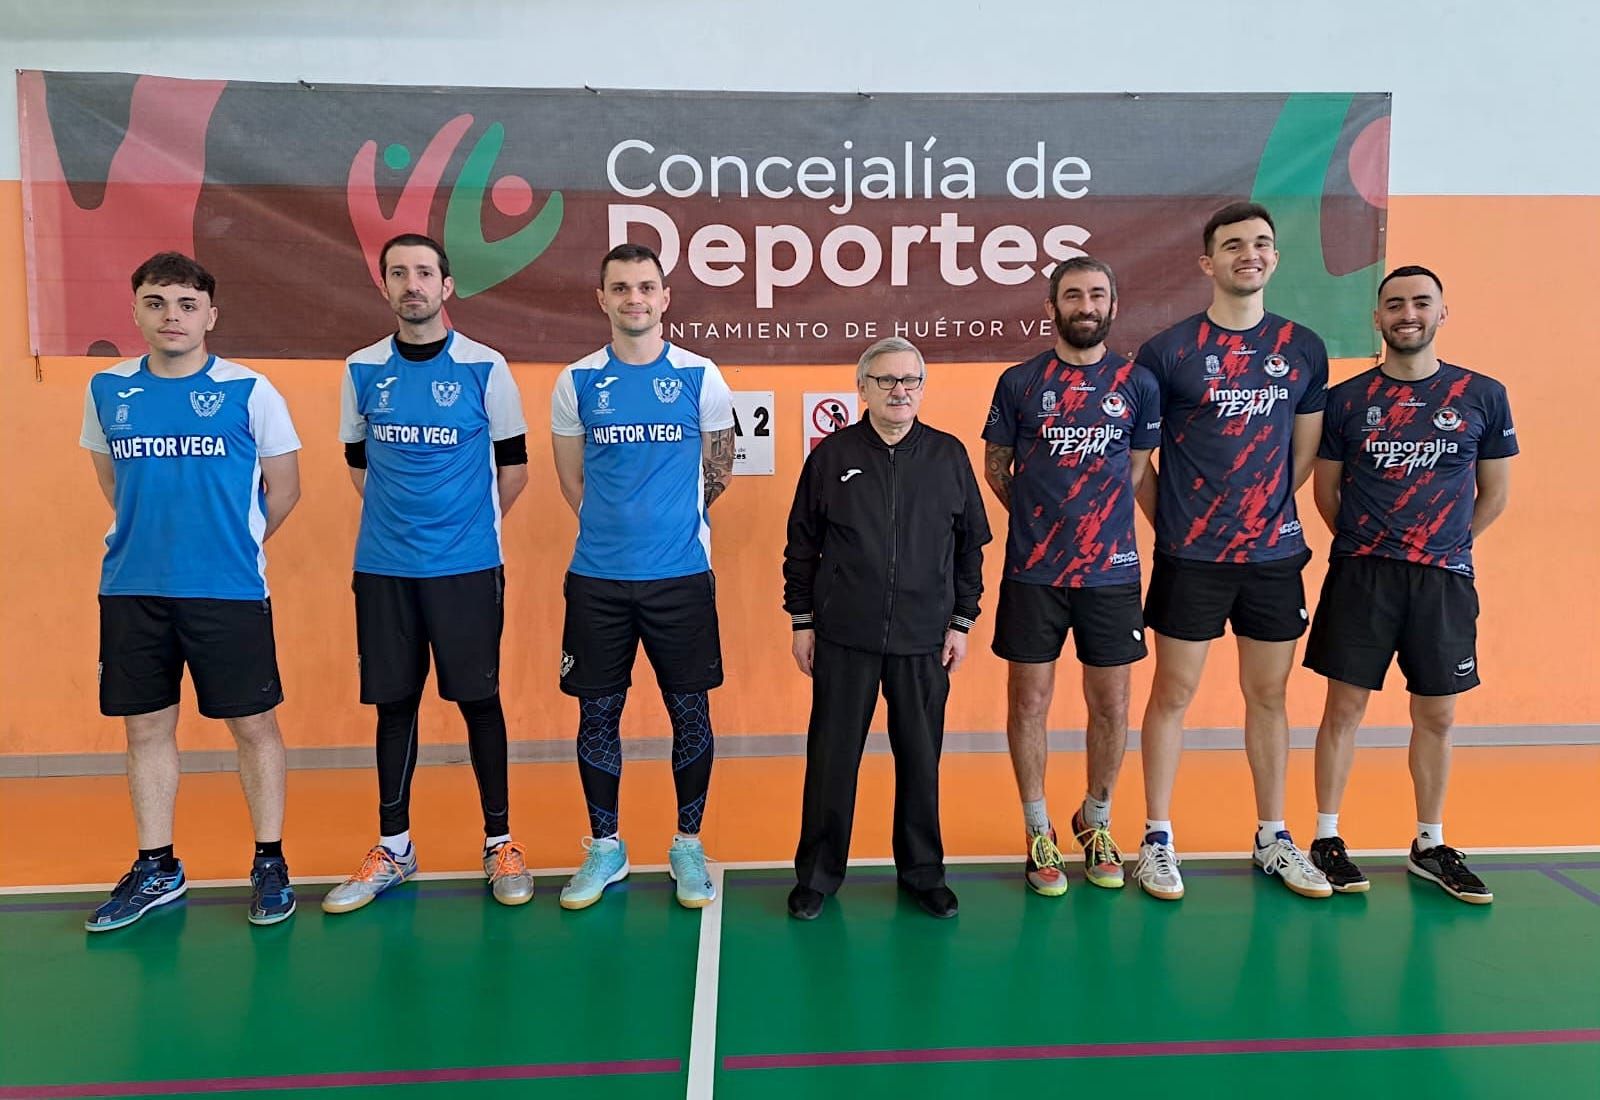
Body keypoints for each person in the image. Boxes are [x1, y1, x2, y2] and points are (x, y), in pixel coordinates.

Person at [81, 252, 302, 931]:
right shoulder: (107, 390)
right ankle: (158, 867)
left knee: (253, 726)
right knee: (146, 728)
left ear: (211, 315)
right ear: (135, 311)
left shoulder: (250, 390)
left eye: (185, 304)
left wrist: (231, 543)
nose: (170, 316)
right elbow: (113, 481)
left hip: (227, 590)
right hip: (133, 589)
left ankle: (269, 862)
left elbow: (284, 488)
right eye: (156, 302)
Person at [325, 233, 533, 913]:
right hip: (384, 569)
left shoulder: (485, 367)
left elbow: (513, 469)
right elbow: (359, 465)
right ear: (384, 285)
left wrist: (464, 528)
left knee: (479, 701)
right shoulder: (361, 369)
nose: (411, 284)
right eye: (398, 273)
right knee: (395, 705)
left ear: (446, 287)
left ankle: (500, 842)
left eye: (423, 273)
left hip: (467, 569)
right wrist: (404, 529)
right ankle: (395, 847)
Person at [1132, 202, 1332, 901]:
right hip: (1192, 558)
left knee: (1269, 695)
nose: (1250, 253)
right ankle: (1157, 839)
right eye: (1234, 245)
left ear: (1274, 257)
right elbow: (1139, 461)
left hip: (1273, 557)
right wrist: (1178, 523)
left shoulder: (1303, 348)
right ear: (1207, 262)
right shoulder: (1167, 352)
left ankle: (1273, 836)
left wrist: (1262, 512)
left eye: (1262, 243)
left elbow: (1304, 453)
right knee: (1173, 694)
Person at [1304, 265, 1515, 904]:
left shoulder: (1482, 395)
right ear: (1377, 318)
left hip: (1443, 581)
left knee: (1438, 713)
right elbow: (1326, 493)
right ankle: (1327, 837)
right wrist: (1374, 544)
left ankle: (1429, 844)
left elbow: (1494, 493)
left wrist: (1443, 546)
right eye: (1394, 304)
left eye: (1421, 303)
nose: (1407, 314)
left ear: (1441, 313)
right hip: (1363, 575)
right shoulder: (1346, 400)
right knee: (1345, 708)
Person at [550, 243, 735, 910]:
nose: (635, 298)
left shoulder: (699, 375)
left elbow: (719, 469)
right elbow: (572, 481)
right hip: (597, 582)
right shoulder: (576, 382)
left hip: (681, 579)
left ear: (665, 298)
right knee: (598, 713)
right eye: (622, 287)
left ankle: (688, 844)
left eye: (646, 286)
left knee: (690, 712)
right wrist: (619, 530)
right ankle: (607, 848)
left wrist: (670, 525)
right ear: (602, 298)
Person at [783, 336, 992, 920]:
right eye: (886, 380)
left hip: (925, 640)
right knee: (831, 762)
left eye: (910, 380)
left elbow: (969, 549)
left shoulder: (948, 456)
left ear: (922, 388)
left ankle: (924, 873)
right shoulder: (831, 457)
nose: (899, 391)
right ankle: (817, 877)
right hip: (844, 637)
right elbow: (801, 546)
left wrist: (961, 621)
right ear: (863, 388)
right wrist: (802, 621)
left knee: (921, 761)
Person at [982, 257, 1160, 896]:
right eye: (1074, 295)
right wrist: (1042, 521)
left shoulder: (1137, 383)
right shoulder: (1020, 382)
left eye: (1097, 295)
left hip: (1111, 573)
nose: (1086, 305)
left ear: (1113, 306)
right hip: (1034, 572)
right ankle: (1038, 828)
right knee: (1028, 702)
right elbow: (997, 468)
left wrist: (1093, 525)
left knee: (1111, 703)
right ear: (1052, 306)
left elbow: (1134, 469)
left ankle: (1097, 818)